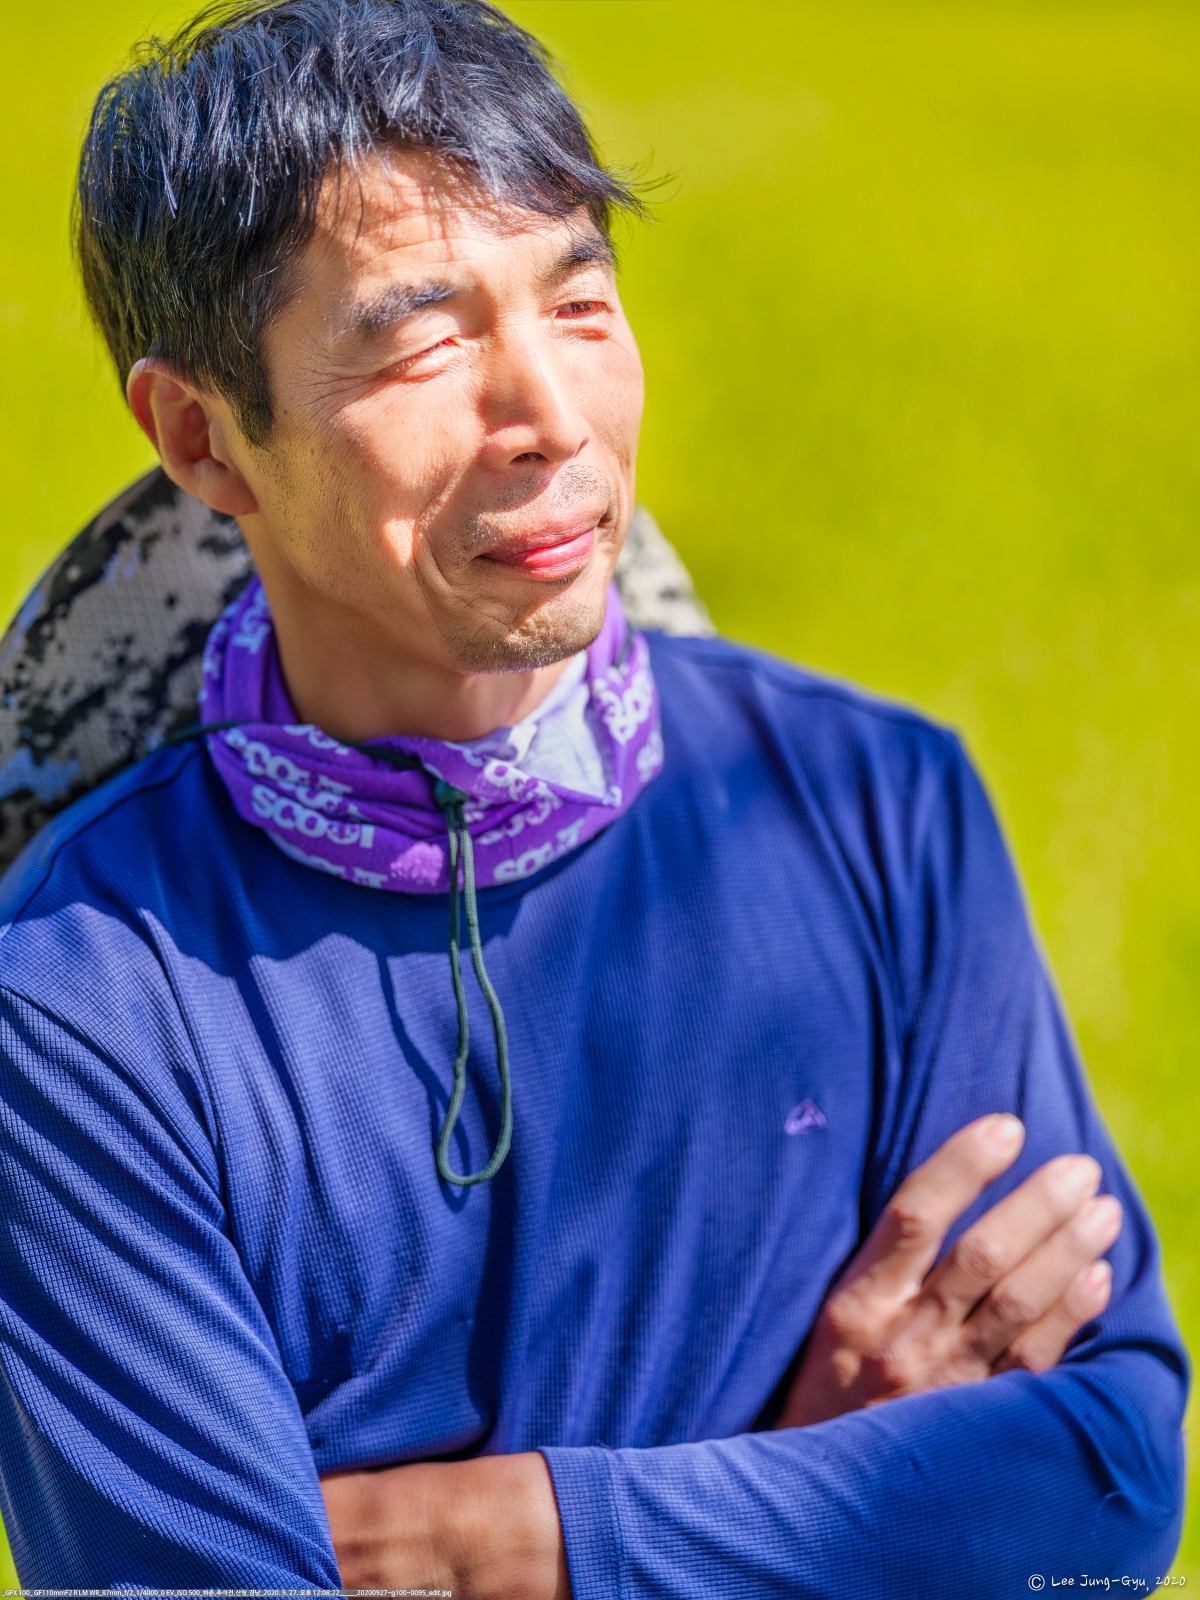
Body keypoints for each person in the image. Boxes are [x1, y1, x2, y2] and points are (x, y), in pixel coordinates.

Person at [0, 1, 1184, 1593]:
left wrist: (481, 1541)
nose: (551, 418)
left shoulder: (878, 806)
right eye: (424, 345)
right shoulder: (79, 1007)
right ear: (203, 439)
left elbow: (1107, 1476)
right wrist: (829, 1492)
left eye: (579, 301)